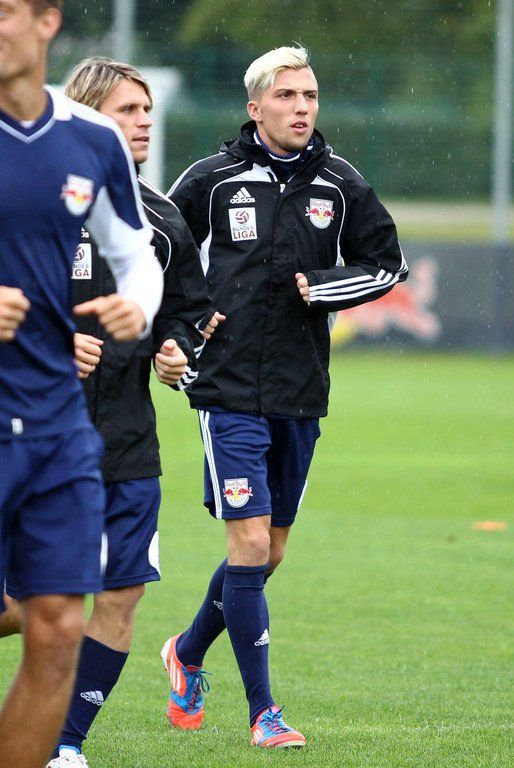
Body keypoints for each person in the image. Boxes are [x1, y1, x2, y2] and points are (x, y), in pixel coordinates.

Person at [159, 44, 408, 748]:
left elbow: (388, 262)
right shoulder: (210, 180)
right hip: (226, 387)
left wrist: (324, 287)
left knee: (267, 554)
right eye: (287, 96)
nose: (302, 108)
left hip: (300, 390)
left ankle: (185, 651)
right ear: (255, 106)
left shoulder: (340, 182)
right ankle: (263, 714)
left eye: (310, 96)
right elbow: (158, 260)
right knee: (246, 543)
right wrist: (175, 336)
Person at [0, 55, 218, 768]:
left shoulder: (160, 220)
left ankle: (65, 745)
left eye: (148, 110)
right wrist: (50, 340)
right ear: (90, 117)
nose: (145, 123)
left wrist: (176, 352)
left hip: (125, 440)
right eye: (129, 110)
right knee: (26, 605)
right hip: (29, 430)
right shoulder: (29, 198)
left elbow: (189, 313)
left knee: (120, 595)